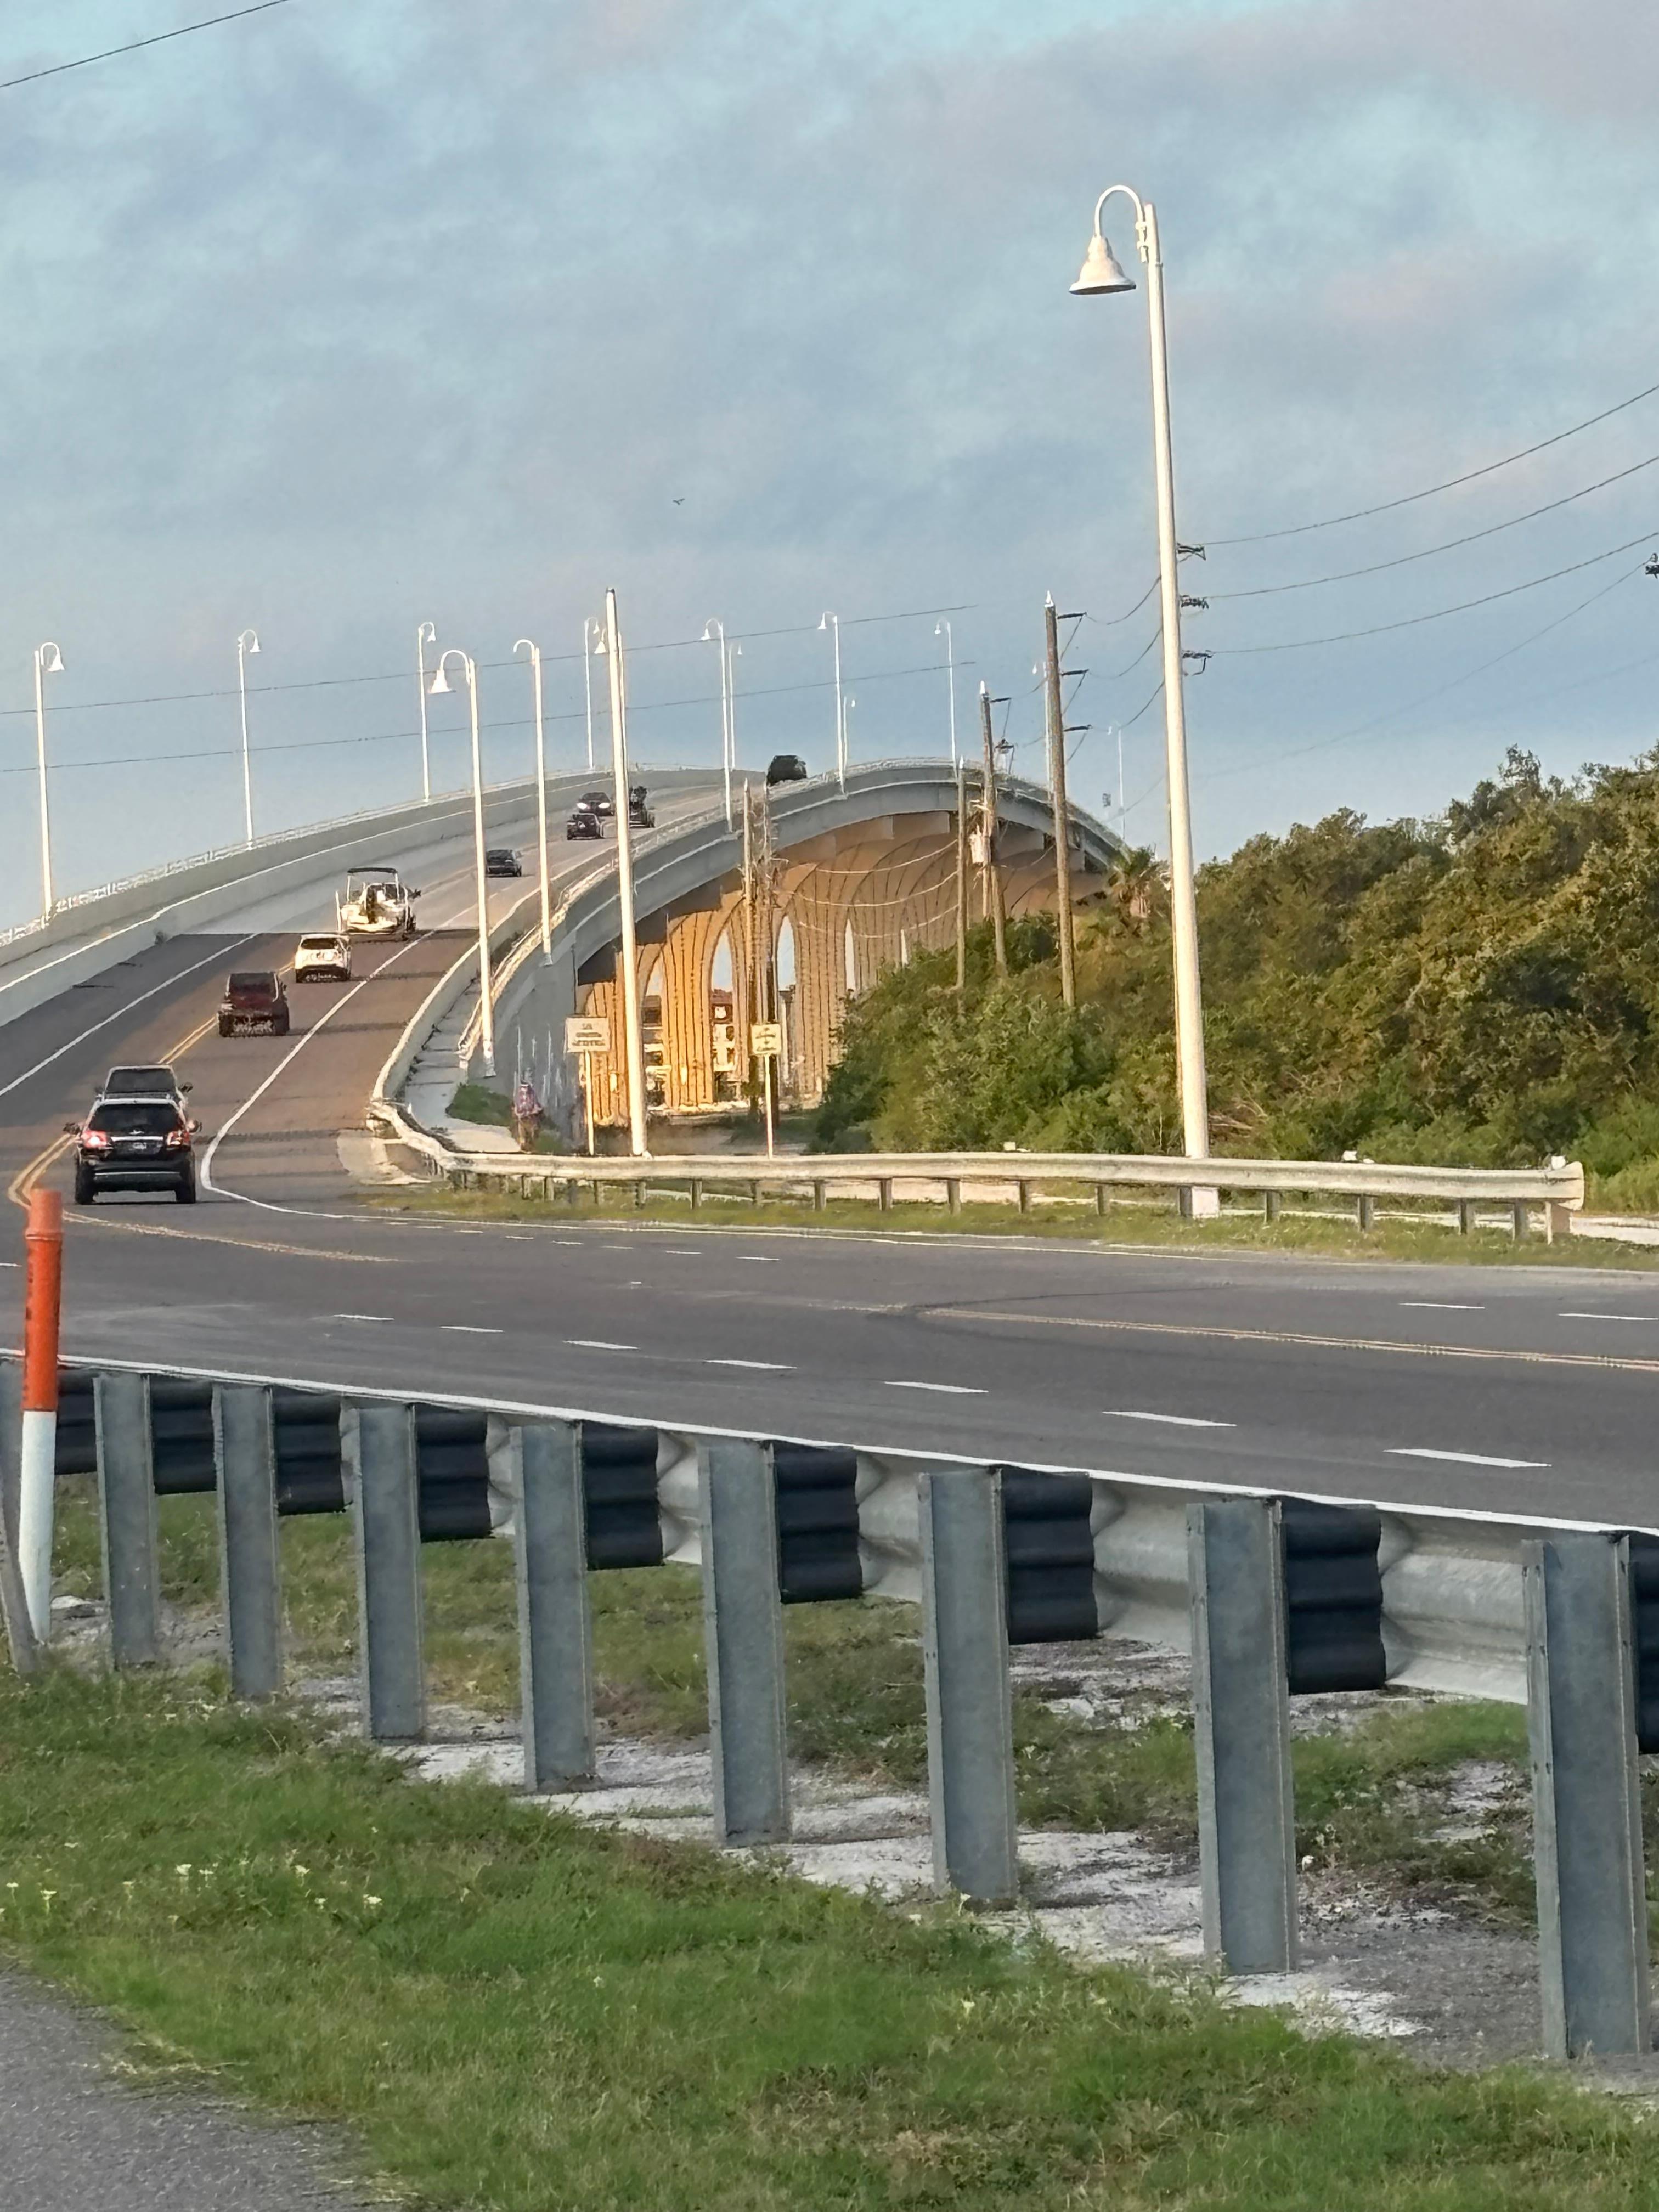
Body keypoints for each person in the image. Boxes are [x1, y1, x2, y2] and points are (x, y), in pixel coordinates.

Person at [512, 1076, 544, 1152]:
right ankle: (525, 1145)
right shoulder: (526, 1092)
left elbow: (533, 1103)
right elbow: (519, 1103)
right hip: (526, 1116)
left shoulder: (524, 1092)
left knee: (529, 1132)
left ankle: (528, 1145)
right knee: (526, 1131)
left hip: (527, 1116)